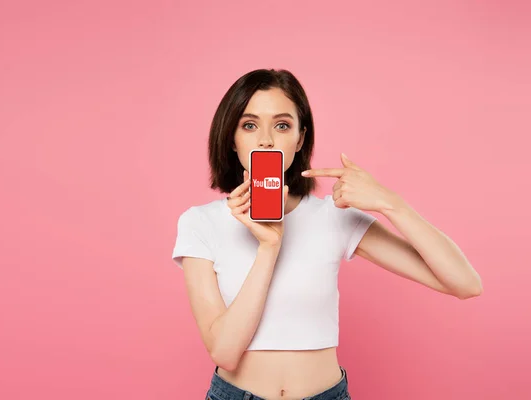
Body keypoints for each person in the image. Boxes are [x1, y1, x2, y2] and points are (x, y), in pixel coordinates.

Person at [171, 69, 483, 400]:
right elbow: (224, 353)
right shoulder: (200, 223)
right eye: (249, 125)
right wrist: (269, 246)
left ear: (300, 138)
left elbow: (465, 283)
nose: (265, 139)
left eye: (282, 125)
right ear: (231, 139)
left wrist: (392, 205)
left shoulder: (332, 217)